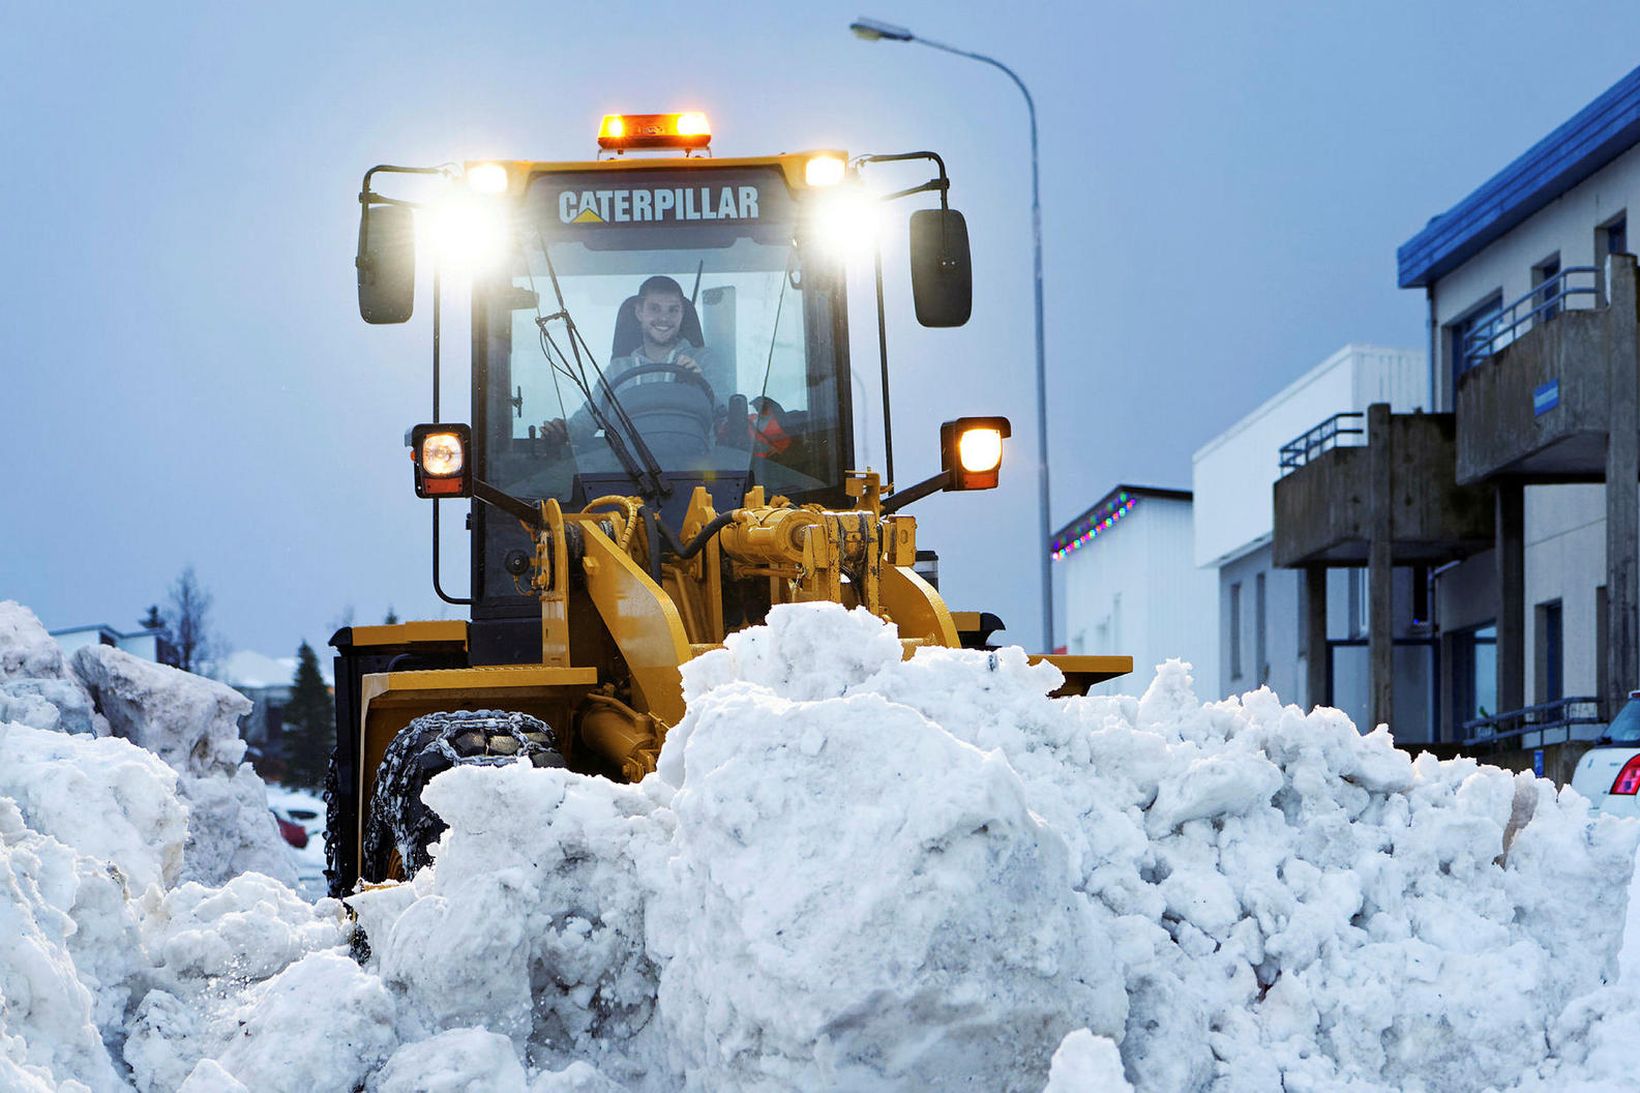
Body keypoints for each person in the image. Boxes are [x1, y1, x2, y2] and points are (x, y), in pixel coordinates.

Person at [540, 275, 720, 448]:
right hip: (627, 473)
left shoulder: (704, 361)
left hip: (697, 470)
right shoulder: (617, 370)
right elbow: (586, 422)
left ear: (682, 314)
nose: (664, 318)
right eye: (654, 308)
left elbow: (723, 415)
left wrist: (698, 385)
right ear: (639, 312)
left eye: (673, 310)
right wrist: (563, 431)